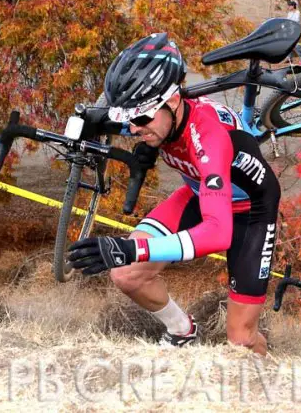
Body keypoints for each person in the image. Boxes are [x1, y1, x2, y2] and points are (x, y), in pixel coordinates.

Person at [67, 34, 281, 354]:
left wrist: (133, 249)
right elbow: (104, 119)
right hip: (202, 193)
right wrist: (77, 129)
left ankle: (266, 386)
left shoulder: (207, 136)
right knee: (127, 275)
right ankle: (182, 330)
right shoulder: (155, 115)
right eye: (129, 119)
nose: (134, 128)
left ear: (174, 101)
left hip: (251, 212)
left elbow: (217, 234)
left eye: (140, 119)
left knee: (241, 339)